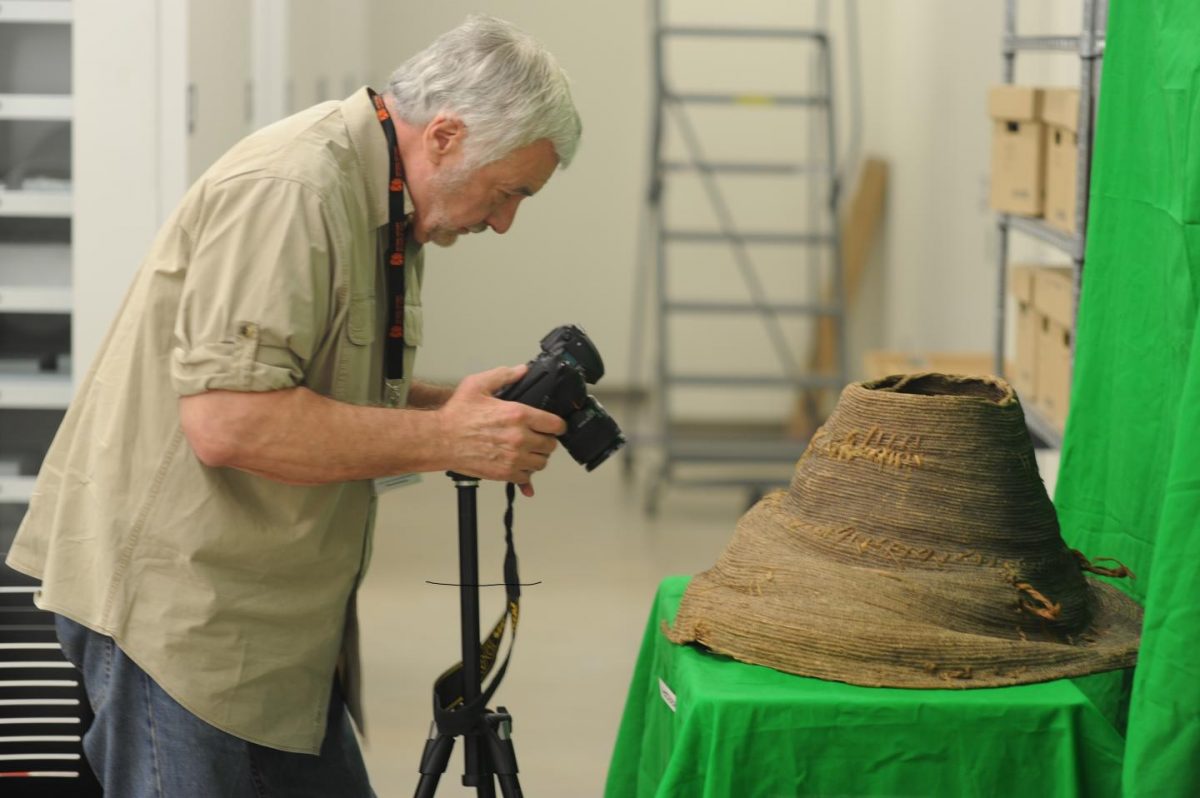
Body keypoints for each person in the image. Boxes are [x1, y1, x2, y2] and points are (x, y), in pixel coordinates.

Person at [5, 14, 580, 797]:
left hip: (270, 631)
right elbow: (230, 419)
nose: (505, 221)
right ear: (445, 135)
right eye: (510, 191)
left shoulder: (385, 198)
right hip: (179, 620)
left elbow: (311, 377)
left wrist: (450, 408)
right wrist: (446, 438)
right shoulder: (295, 190)